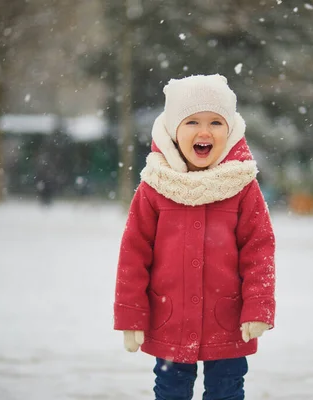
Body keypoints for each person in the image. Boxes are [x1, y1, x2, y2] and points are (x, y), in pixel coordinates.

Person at [114, 74, 276, 400]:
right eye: (192, 122)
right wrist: (131, 315)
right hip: (169, 319)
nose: (204, 132)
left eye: (216, 122)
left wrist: (258, 309)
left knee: (227, 391)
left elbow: (259, 251)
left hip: (227, 320)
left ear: (230, 130)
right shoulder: (155, 187)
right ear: (174, 130)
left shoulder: (242, 186)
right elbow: (134, 254)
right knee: (170, 392)